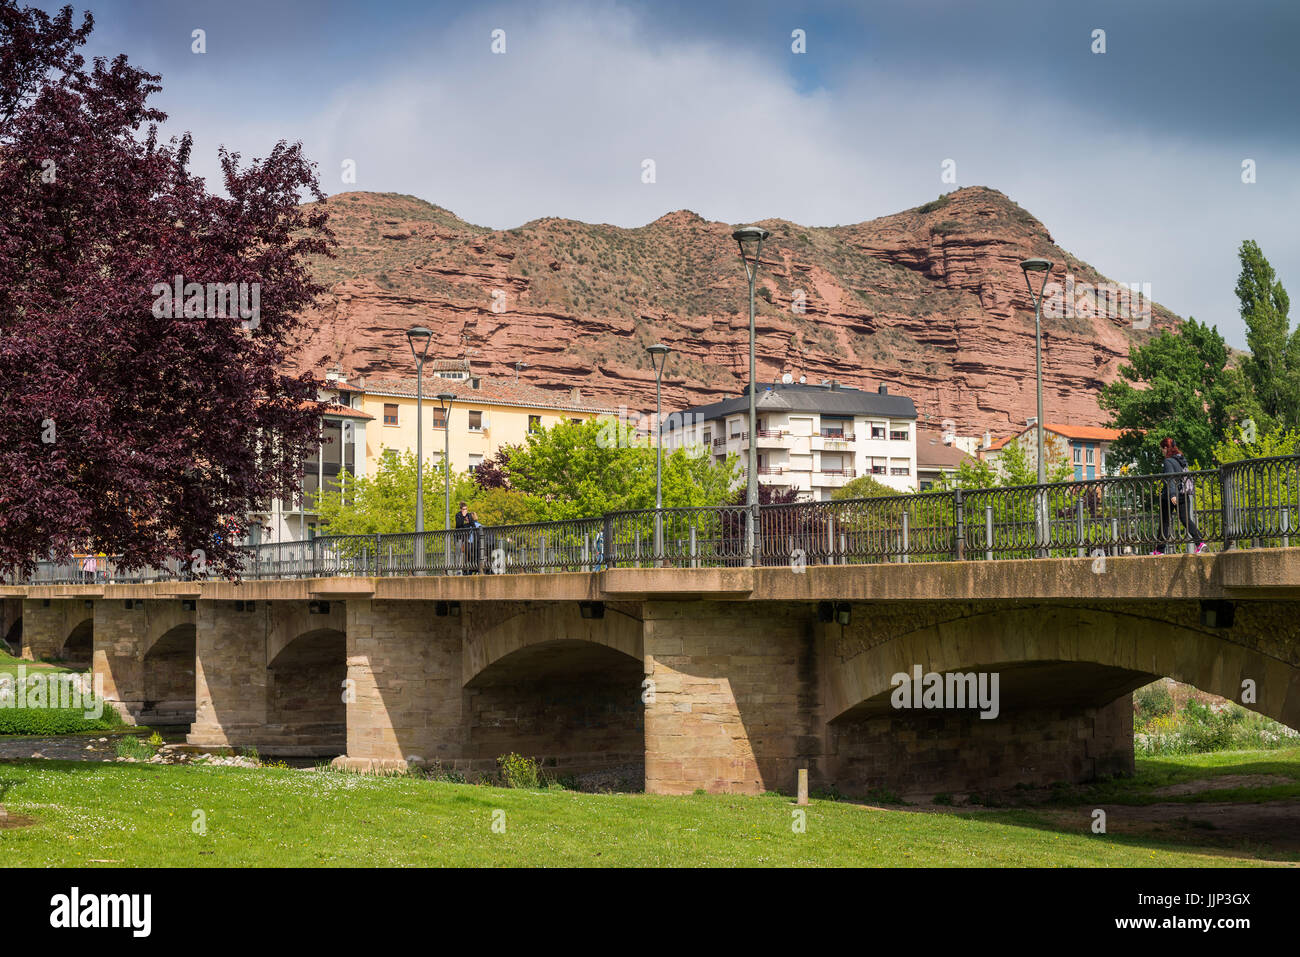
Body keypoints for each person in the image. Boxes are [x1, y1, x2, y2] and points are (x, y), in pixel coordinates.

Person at [1153, 437, 1207, 555]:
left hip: (1170, 495)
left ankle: (1159, 550)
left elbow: (1170, 478)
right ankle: (1200, 542)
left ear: (1166, 448)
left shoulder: (1168, 461)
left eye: (1162, 449)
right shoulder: (1181, 459)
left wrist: (1172, 494)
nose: (1162, 451)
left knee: (1165, 522)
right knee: (1186, 519)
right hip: (1183, 493)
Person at [454, 501, 470, 573]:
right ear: (461, 509)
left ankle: (466, 569)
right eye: (464, 509)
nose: (465, 510)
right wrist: (463, 517)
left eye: (466, 509)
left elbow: (471, 524)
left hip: (466, 537)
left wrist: (468, 521)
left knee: (466, 553)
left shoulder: (468, 515)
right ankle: (458, 570)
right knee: (458, 553)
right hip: (459, 537)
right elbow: (458, 524)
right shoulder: (458, 515)